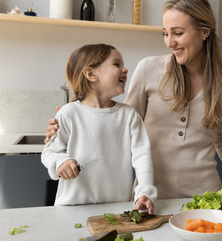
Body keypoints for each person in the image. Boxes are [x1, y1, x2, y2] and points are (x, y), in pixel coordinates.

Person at [45, 0, 222, 198]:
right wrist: (71, 119)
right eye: (165, 33)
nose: (169, 42)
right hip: (151, 196)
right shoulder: (148, 69)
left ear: (204, 32)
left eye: (178, 33)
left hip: (205, 196)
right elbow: (118, 126)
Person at [41, 44, 157, 212]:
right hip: (70, 209)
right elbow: (49, 152)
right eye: (116, 64)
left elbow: (143, 158)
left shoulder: (129, 116)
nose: (125, 69)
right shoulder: (68, 113)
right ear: (91, 74)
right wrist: (60, 162)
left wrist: (145, 191)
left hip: (116, 209)